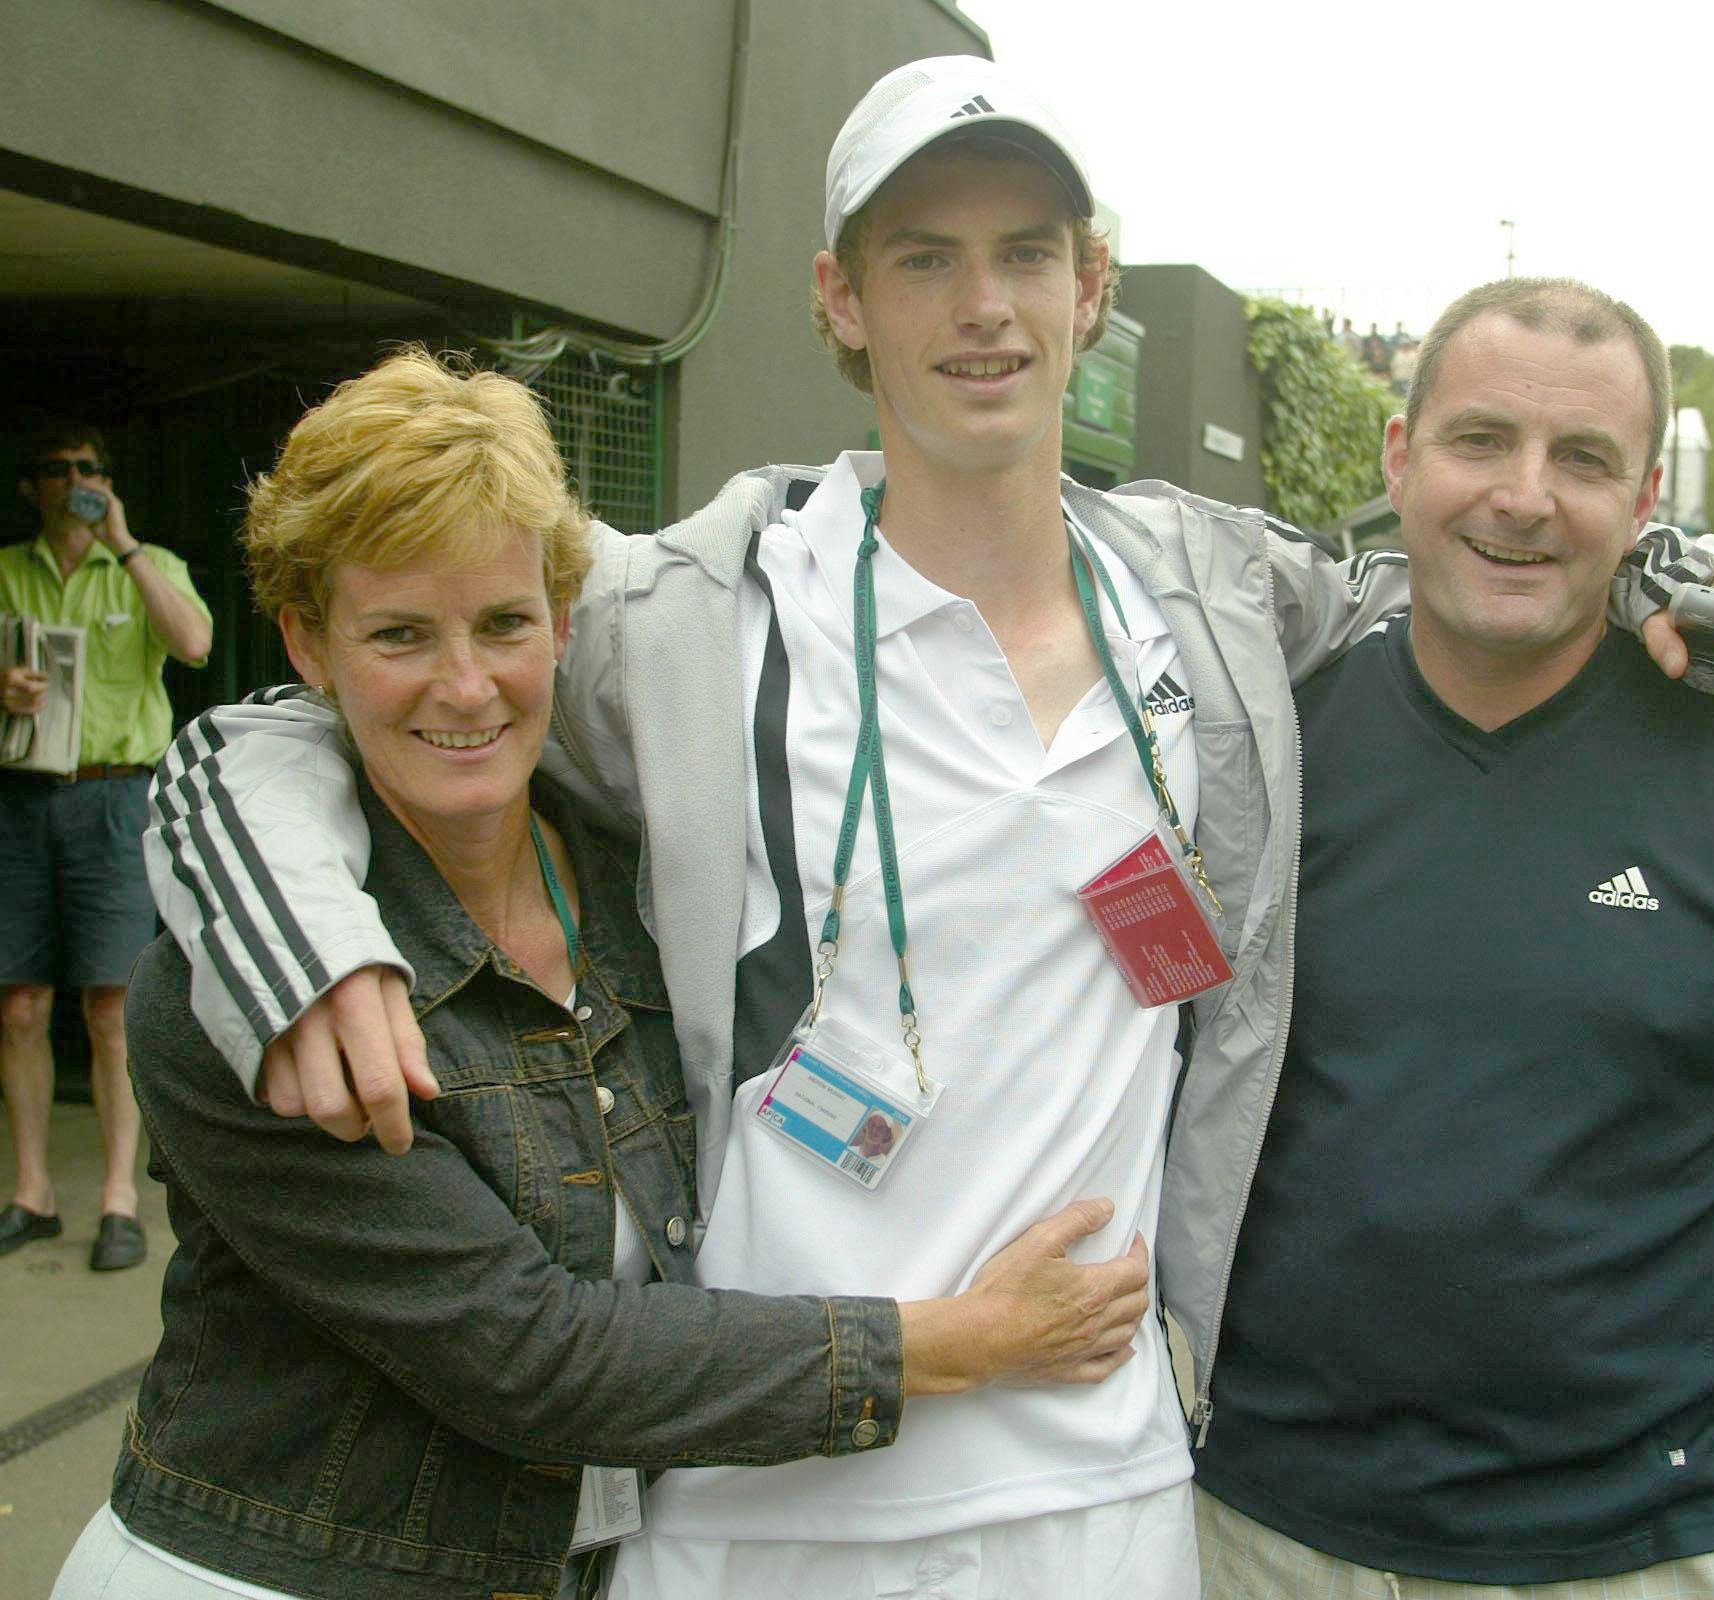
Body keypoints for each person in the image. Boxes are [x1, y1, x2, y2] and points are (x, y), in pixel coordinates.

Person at [140, 61, 1714, 1600]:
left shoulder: (1214, 601)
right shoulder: (684, 621)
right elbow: (323, 715)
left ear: (1090, 287)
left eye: (1025, 251)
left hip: (1104, 1477)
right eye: (922, 256)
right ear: (837, 301)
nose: (982, 305)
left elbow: (1474, 566)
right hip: (751, 1490)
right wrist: (303, 939)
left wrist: (1698, 574)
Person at [54, 352, 1151, 1600]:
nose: (465, 686)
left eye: (505, 624)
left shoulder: (652, 891)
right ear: (308, 642)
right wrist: (958, 1341)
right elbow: (530, 1356)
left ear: (565, 623)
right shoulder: (267, 1000)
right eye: (400, 633)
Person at [1187, 278, 1714, 1600]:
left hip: (1637, 1552)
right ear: (1398, 460)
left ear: (1645, 508)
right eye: (1477, 441)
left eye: (1581, 459)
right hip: (1256, 1538)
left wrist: (1700, 1318)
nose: (1522, 496)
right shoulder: (1259, 742)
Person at [1, 425, 212, 1271]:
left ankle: (119, 1197)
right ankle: (31, 1193)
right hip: (21, 796)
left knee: (111, 1007)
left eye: (90, 468)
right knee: (18, 1003)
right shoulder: (8, 570)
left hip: (117, 796)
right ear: (32, 487)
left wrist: (123, 544)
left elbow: (194, 643)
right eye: (58, 468)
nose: (76, 481)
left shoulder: (145, 560)